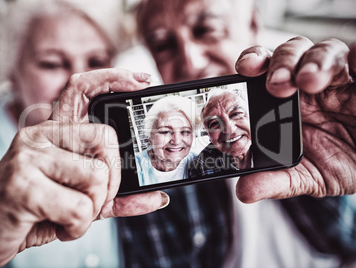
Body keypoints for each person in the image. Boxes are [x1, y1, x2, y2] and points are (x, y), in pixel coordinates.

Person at [117, 0, 356, 267]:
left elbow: (346, 240)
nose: (190, 62)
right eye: (163, 45)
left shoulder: (319, 112)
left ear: (253, 24)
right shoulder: (175, 170)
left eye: (208, 29)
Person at [0, 0, 169, 267]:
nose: (78, 79)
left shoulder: (121, 138)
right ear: (12, 70)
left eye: (96, 61)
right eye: (52, 63)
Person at [135, 95, 198, 186]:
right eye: (165, 132)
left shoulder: (200, 162)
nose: (176, 141)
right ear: (150, 137)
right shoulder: (134, 166)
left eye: (185, 131)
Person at [189, 88, 252, 177]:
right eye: (214, 123)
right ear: (208, 135)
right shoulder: (202, 163)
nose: (229, 130)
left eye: (236, 114)